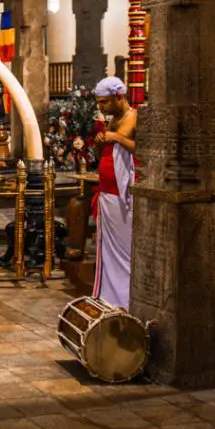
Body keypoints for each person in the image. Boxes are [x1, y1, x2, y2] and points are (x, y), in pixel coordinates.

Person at [92, 76, 137, 310]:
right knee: (108, 250)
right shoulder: (112, 120)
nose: (101, 107)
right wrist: (101, 141)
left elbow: (142, 149)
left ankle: (128, 297)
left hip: (124, 193)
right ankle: (110, 298)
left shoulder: (135, 116)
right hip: (107, 191)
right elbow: (103, 154)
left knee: (127, 248)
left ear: (119, 97)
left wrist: (117, 137)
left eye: (104, 102)